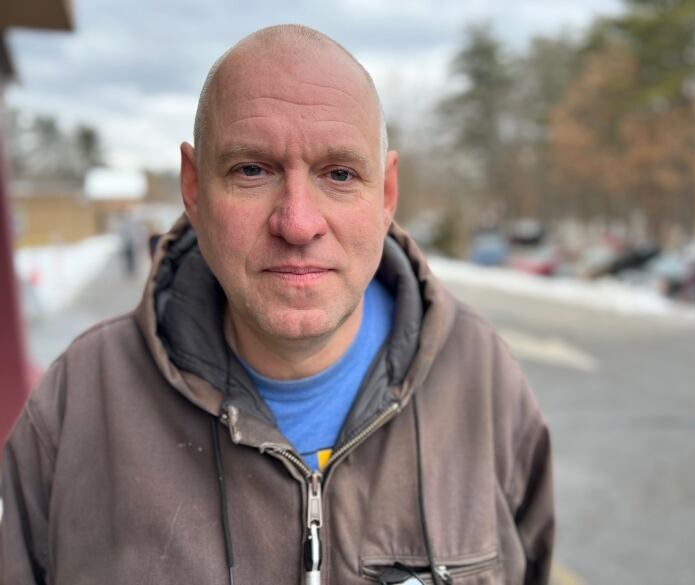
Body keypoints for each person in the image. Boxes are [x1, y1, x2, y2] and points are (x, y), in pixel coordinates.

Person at [0, 25, 554, 585]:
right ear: (193, 188)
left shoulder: (485, 381)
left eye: (339, 174)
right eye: (252, 170)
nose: (297, 223)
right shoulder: (77, 406)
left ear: (386, 195)